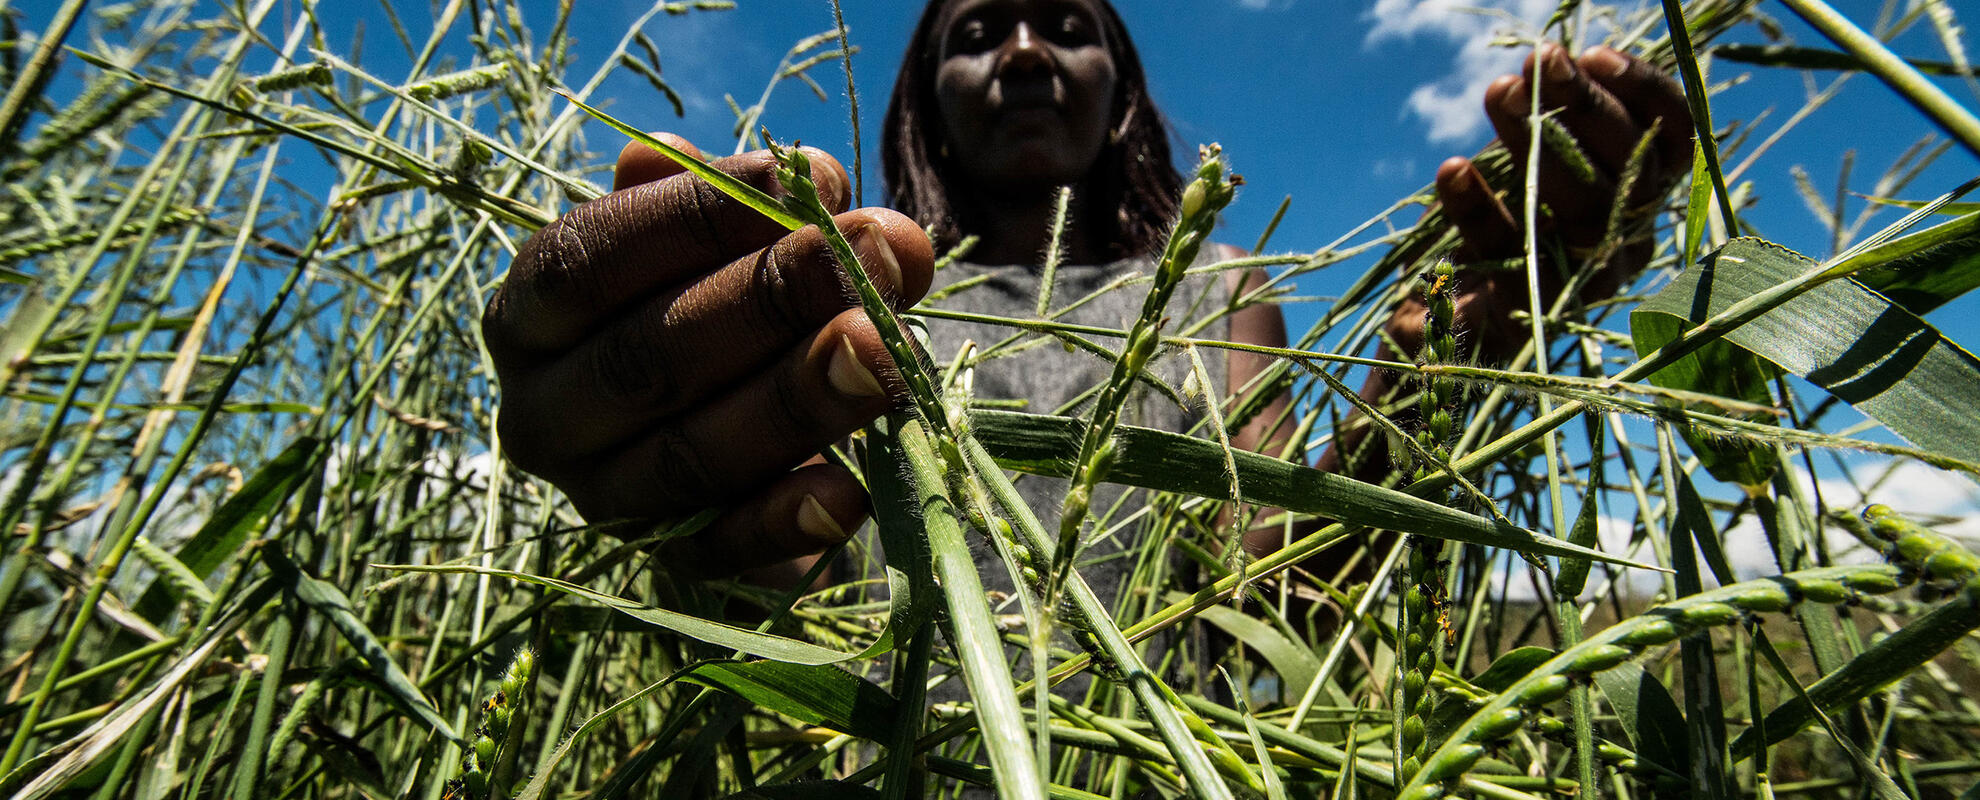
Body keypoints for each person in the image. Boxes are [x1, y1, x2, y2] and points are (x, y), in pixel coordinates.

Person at [480, 0, 1692, 587]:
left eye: (1065, 24)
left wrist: (1446, 357)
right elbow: (771, 575)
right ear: (924, 101)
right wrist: (676, 495)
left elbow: (1273, 576)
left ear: (1120, 92)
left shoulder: (1214, 285)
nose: (1021, 51)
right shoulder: (858, 291)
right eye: (975, 32)